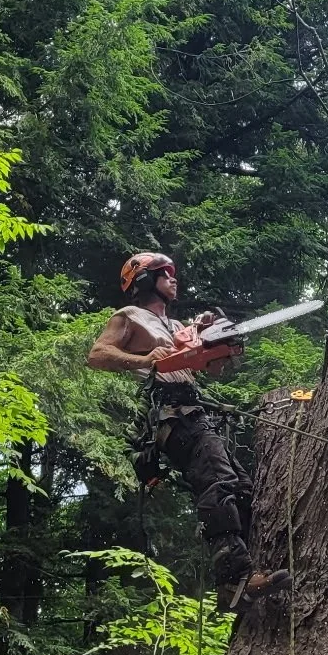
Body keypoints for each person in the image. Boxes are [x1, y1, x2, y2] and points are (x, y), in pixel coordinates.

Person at [87, 251, 286, 612]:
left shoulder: (179, 326)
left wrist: (215, 343)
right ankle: (233, 581)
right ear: (145, 280)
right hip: (171, 415)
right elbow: (98, 355)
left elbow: (213, 372)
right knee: (218, 484)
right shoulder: (129, 317)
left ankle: (253, 567)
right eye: (165, 274)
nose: (173, 280)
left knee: (242, 490)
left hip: (196, 410)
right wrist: (145, 359)